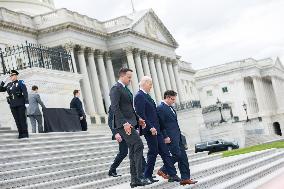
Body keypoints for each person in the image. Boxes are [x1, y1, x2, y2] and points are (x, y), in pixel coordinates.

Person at [109, 68, 151, 188]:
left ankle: (134, 180)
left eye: (131, 77)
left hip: (130, 122)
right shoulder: (115, 88)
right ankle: (139, 176)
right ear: (122, 76)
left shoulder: (126, 89)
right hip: (123, 124)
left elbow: (129, 109)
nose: (130, 80)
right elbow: (115, 108)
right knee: (138, 145)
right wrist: (124, 124)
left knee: (133, 149)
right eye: (129, 77)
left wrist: (138, 119)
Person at [134, 76, 180, 183]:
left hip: (157, 129)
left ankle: (172, 175)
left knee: (165, 152)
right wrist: (150, 127)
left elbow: (154, 115)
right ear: (144, 83)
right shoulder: (139, 96)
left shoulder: (147, 96)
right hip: (150, 130)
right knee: (153, 152)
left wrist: (162, 131)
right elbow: (140, 114)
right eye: (150, 84)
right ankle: (147, 175)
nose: (151, 86)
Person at [157, 90, 198, 186]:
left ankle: (185, 178)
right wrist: (165, 136)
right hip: (170, 137)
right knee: (177, 155)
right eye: (172, 99)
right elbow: (160, 124)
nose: (174, 101)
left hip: (177, 136)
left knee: (183, 157)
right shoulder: (160, 108)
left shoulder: (170, 108)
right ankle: (163, 170)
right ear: (167, 97)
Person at [0, 70, 29, 139]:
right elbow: (0, 89)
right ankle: (20, 133)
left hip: (20, 103)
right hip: (12, 104)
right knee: (17, 120)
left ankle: (25, 133)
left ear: (16, 76)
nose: (11, 77)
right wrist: (3, 82)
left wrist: (26, 102)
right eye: (10, 76)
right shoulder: (9, 84)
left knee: (22, 119)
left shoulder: (20, 82)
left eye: (13, 75)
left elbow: (25, 92)